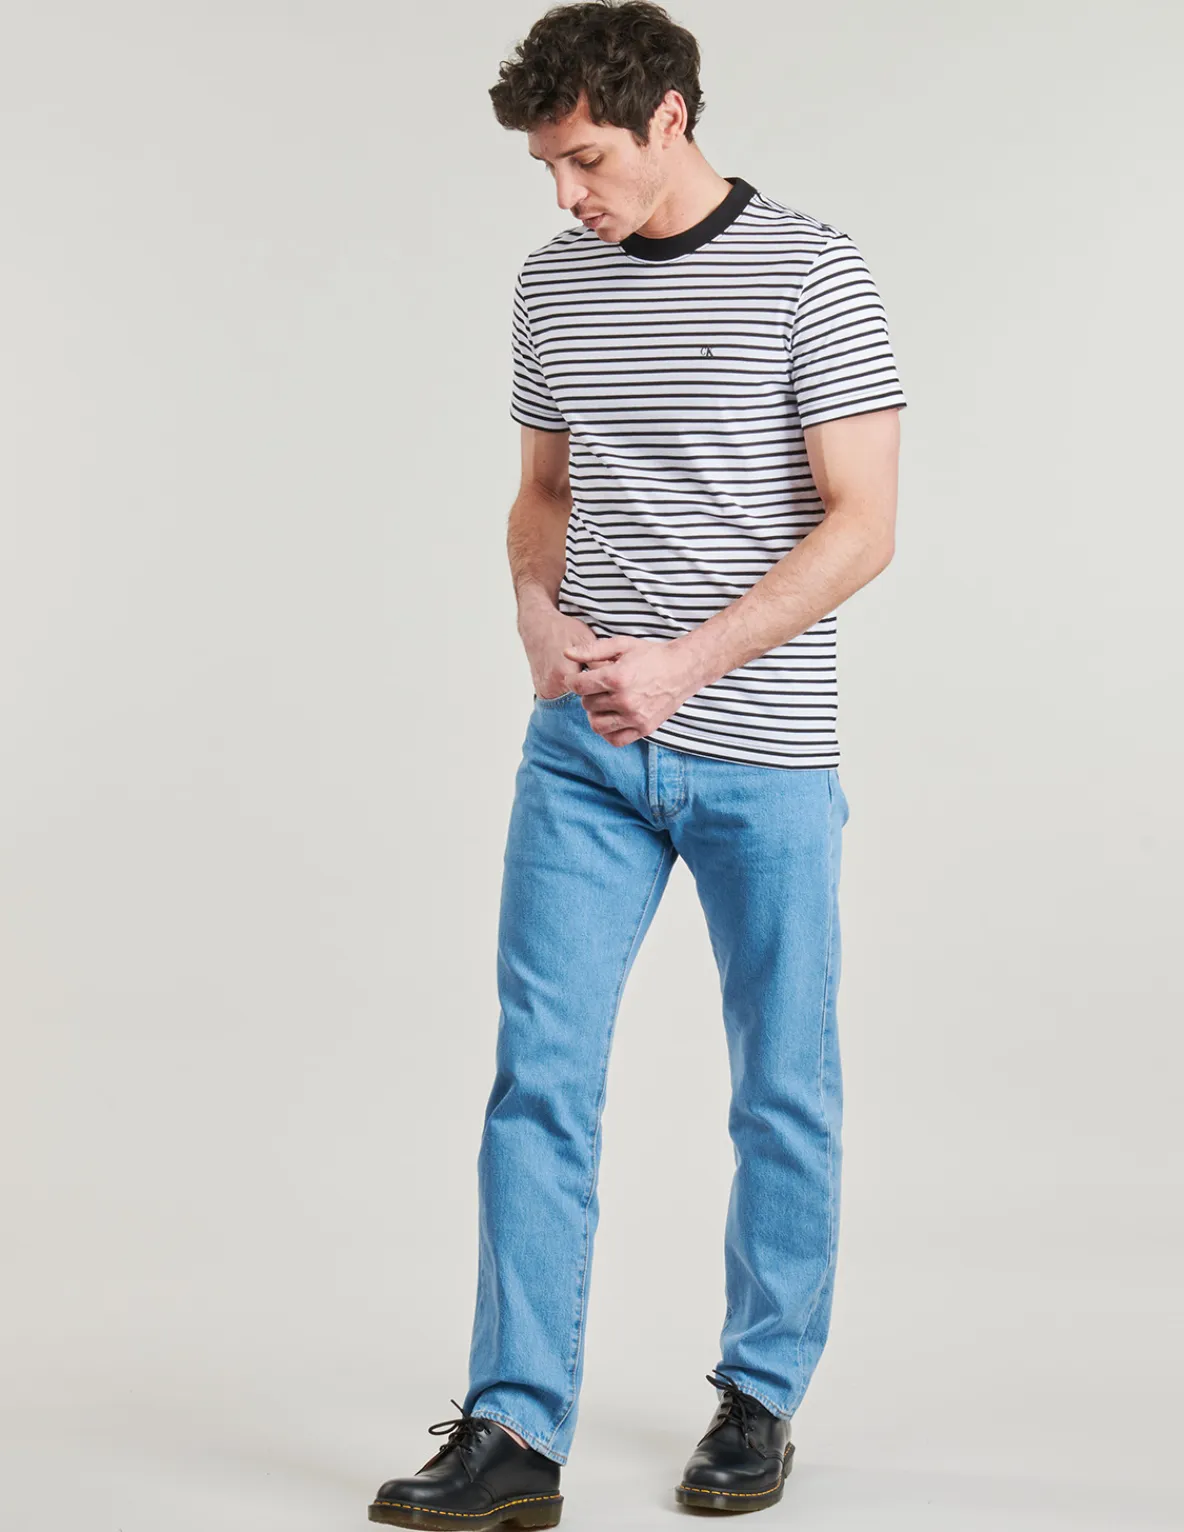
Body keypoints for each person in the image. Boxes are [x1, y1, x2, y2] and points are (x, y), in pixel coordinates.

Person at [369, 2, 906, 1525]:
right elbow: (543, 490)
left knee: (781, 1086)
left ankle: (759, 1397)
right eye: (546, 166)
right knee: (538, 1080)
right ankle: (514, 1431)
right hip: (584, 754)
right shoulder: (551, 284)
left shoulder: (813, 270)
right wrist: (537, 614)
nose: (566, 195)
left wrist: (689, 662)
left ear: (671, 115)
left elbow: (865, 524)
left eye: (587, 159)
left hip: (763, 753)